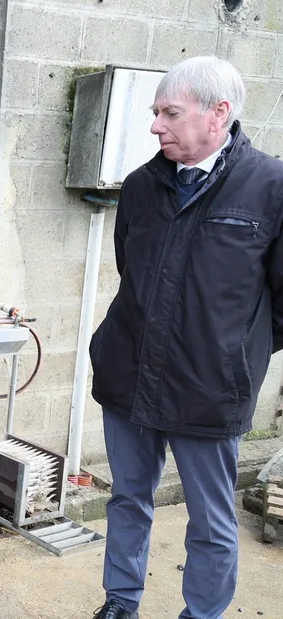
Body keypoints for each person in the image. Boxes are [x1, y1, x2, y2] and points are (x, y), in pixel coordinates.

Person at [88, 56, 283, 619]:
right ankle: (120, 601)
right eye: (156, 112)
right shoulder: (141, 185)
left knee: (211, 519)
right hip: (130, 375)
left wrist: (231, 352)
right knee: (127, 499)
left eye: (169, 113)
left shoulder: (271, 187)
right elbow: (131, 271)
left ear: (218, 113)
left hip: (210, 388)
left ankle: (201, 614)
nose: (155, 126)